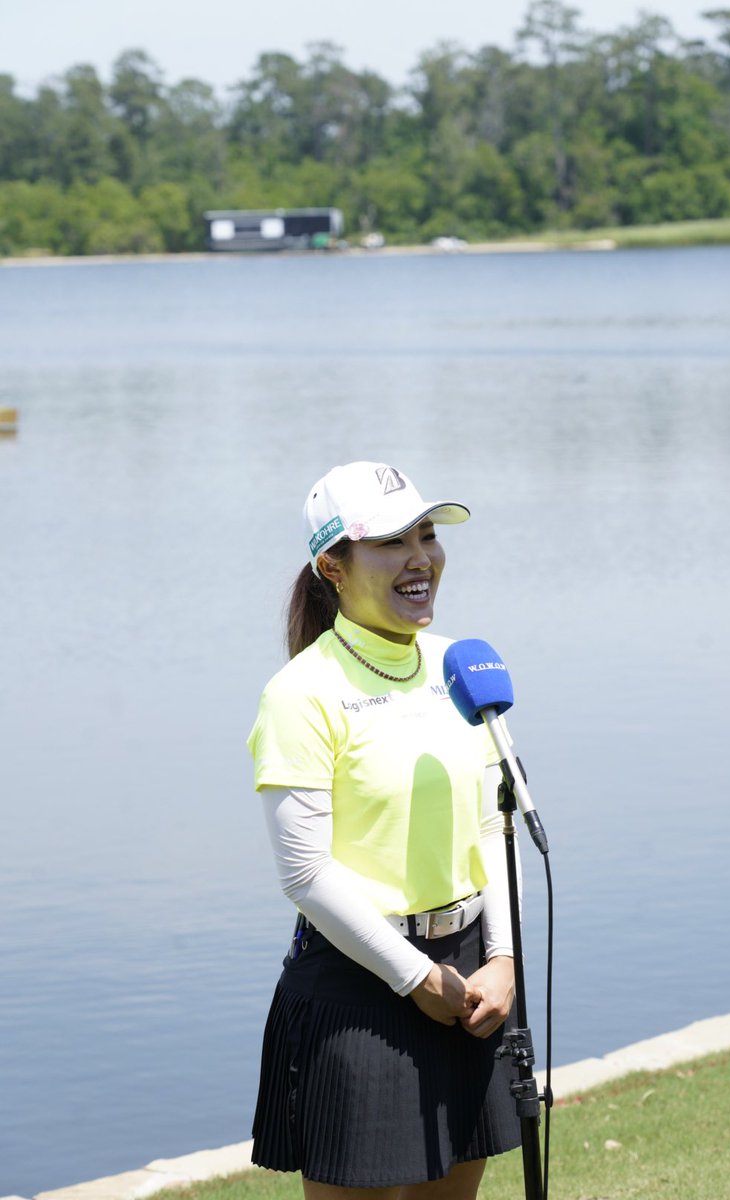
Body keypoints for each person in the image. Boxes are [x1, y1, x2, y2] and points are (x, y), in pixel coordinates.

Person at [247, 461, 521, 1200]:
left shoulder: (459, 665)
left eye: (427, 535)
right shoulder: (302, 694)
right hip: (362, 984)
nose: (420, 558)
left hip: (472, 976)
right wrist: (416, 976)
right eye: (392, 542)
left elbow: (493, 821)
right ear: (331, 566)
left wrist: (502, 956)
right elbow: (304, 874)